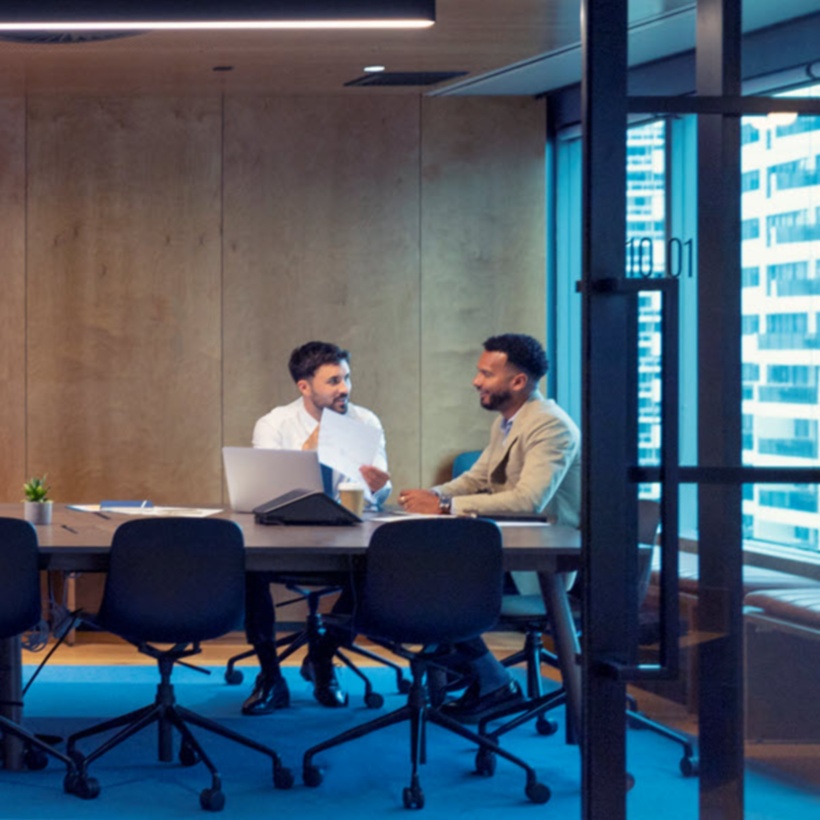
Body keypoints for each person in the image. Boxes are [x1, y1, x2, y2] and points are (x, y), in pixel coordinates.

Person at [398, 333, 580, 722]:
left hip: (542, 560)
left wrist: (445, 507)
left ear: (518, 382)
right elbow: (476, 478)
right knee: (422, 572)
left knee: (435, 583)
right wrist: (427, 497)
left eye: (485, 373)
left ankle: (486, 677)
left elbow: (528, 500)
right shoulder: (508, 422)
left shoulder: (550, 426)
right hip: (508, 546)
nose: (476, 381)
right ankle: (460, 663)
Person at [241, 341, 391, 716]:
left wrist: (378, 484)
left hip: (345, 536)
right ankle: (270, 676)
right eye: (333, 381)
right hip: (282, 537)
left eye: (347, 378)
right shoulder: (274, 424)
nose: (345, 388)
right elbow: (268, 492)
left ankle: (322, 658)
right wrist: (318, 443)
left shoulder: (365, 422)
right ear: (304, 387)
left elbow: (377, 495)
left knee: (377, 570)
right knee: (246, 568)